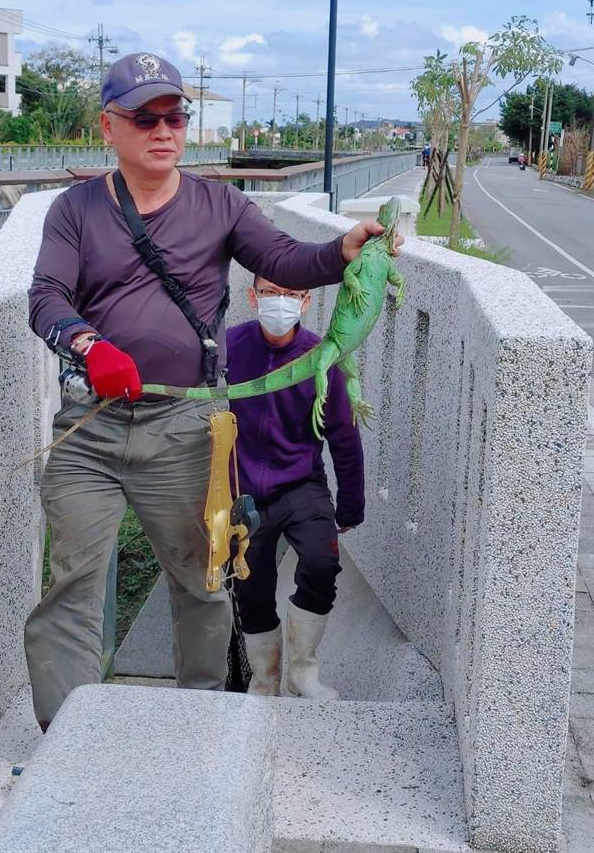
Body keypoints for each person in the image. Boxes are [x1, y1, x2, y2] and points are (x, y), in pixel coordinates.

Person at [25, 52, 402, 731]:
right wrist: (88, 345)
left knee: (200, 582)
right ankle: (68, 735)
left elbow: (283, 258)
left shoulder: (219, 204)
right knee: (72, 583)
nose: (163, 130)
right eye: (145, 118)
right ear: (108, 126)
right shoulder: (74, 210)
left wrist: (340, 251)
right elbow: (46, 296)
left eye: (175, 117)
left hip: (183, 427)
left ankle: (197, 729)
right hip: (91, 425)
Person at [227, 276, 365, 699]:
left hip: (301, 484)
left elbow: (344, 436)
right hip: (241, 491)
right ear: (253, 297)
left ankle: (303, 671)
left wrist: (351, 505)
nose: (280, 302)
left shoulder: (322, 357)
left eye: (290, 295)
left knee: (322, 563)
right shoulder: (229, 348)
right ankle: (265, 679)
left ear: (305, 302)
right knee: (251, 586)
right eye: (270, 292)